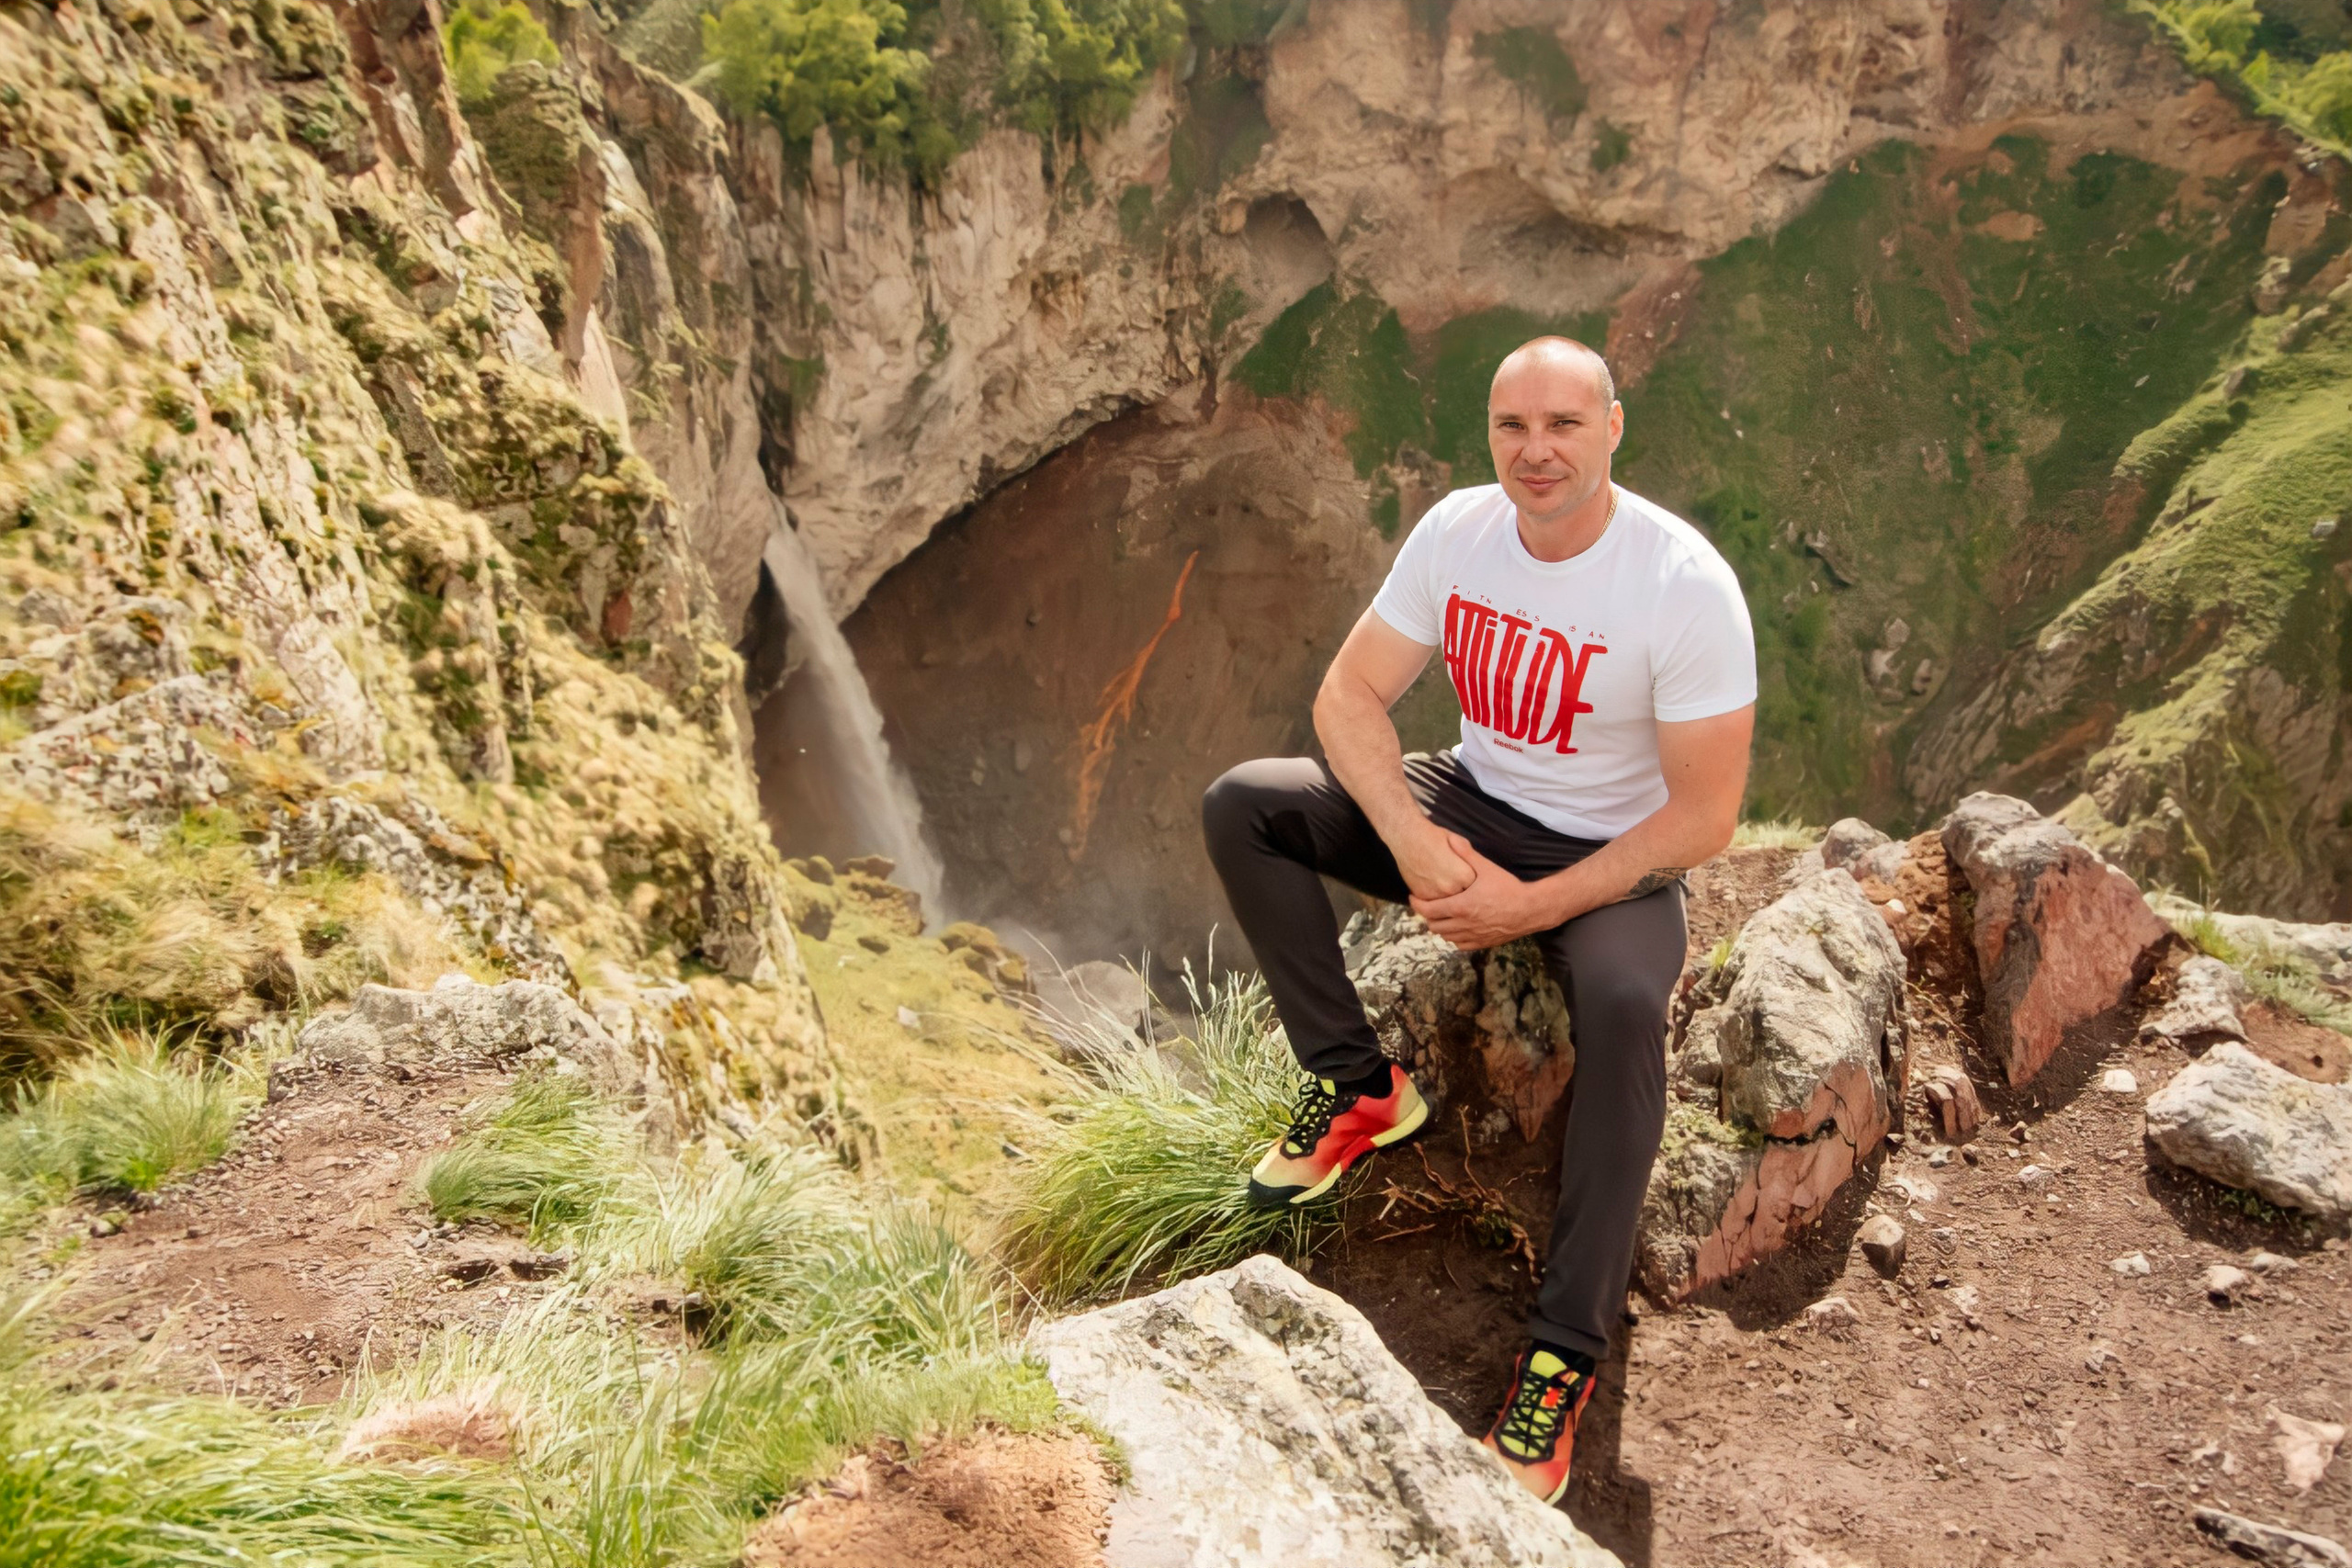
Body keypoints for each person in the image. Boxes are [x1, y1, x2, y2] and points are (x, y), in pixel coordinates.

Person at [1200, 336, 1756, 1505]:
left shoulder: (1681, 584)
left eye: (1563, 424)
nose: (1535, 450)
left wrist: (1527, 906)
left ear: (1613, 427)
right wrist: (1413, 843)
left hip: (1610, 853)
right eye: (1512, 426)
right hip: (1467, 803)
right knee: (1247, 805)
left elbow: (1705, 817)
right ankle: (1359, 1086)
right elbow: (1348, 695)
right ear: (1490, 434)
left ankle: (1564, 1350)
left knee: (1623, 1004)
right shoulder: (1459, 530)